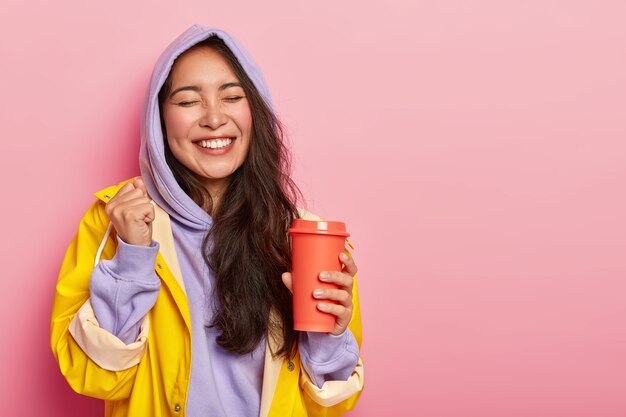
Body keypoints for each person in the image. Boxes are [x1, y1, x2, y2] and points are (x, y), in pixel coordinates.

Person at [50, 24, 364, 417]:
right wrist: (132, 257)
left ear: (255, 111)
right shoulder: (114, 221)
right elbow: (93, 377)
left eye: (232, 96)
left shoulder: (303, 237)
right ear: (158, 119)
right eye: (187, 102)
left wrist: (331, 335)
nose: (215, 118)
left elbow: (331, 404)